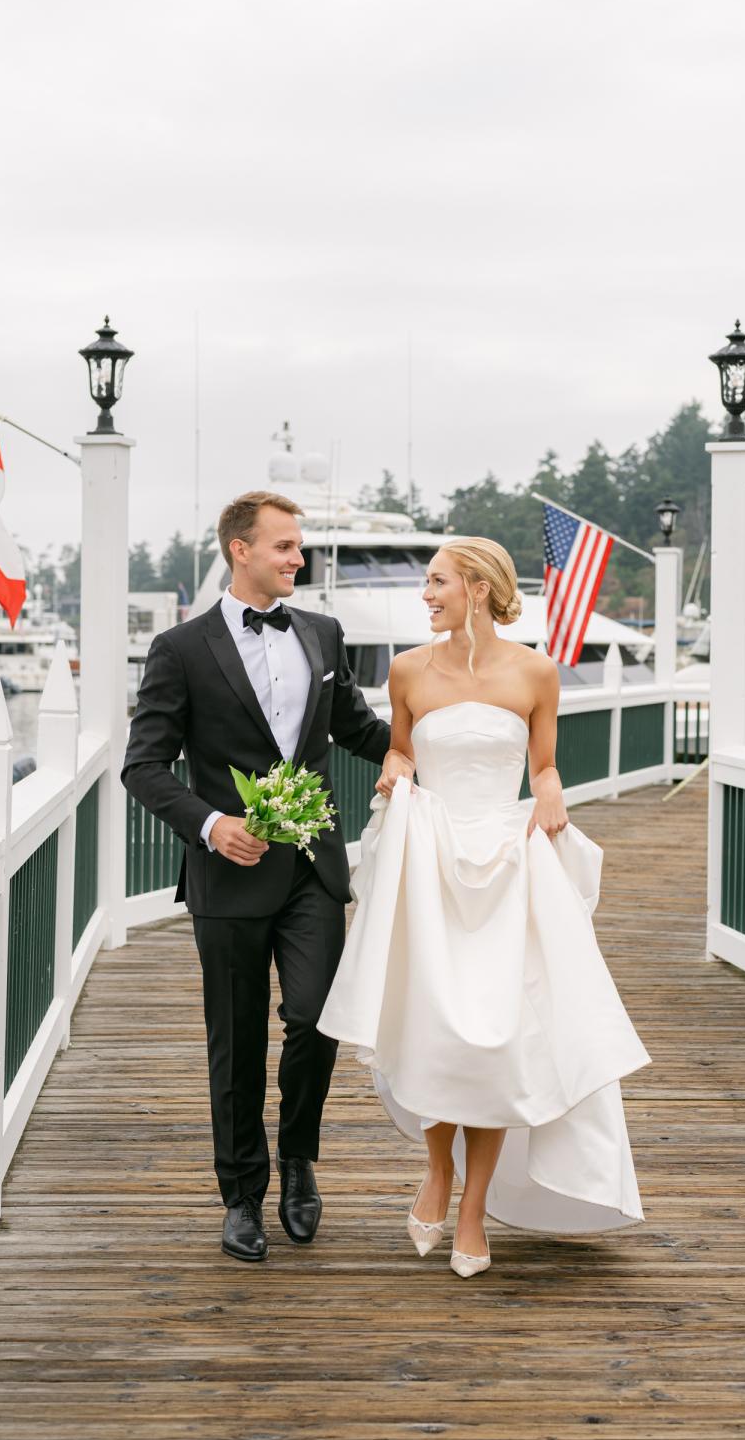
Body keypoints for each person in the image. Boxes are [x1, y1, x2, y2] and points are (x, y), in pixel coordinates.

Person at [317, 536, 650, 1277]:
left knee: (499, 1039)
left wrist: (555, 785)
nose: (426, 595)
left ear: (475, 585)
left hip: (505, 863)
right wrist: (396, 769)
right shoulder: (407, 670)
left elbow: (543, 763)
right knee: (437, 1027)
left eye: (436, 583)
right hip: (431, 863)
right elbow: (401, 749)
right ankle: (437, 1170)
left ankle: (475, 1205)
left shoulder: (536, 671)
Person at [121, 490, 414, 1263]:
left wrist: (418, 749)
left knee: (317, 1019)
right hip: (228, 876)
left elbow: (355, 726)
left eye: (300, 546)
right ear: (240, 551)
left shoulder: (321, 632)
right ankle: (242, 1195)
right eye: (285, 546)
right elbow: (143, 766)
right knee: (236, 1042)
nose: (299, 559)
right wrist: (213, 826)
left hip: (314, 866)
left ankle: (299, 1162)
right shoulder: (180, 650)